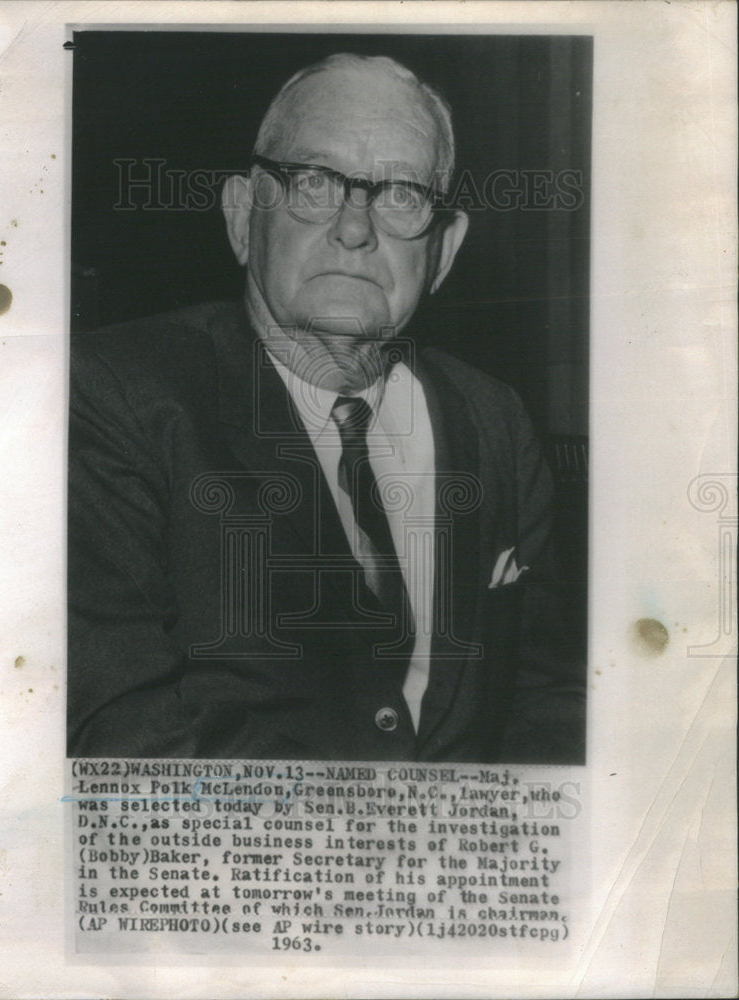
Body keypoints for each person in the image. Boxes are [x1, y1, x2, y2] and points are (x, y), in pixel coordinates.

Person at [68, 53, 585, 762]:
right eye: (313, 182)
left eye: (402, 194)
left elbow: (550, 696)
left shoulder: (496, 420)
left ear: (444, 250)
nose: (354, 229)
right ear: (244, 215)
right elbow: (120, 735)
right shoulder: (115, 397)